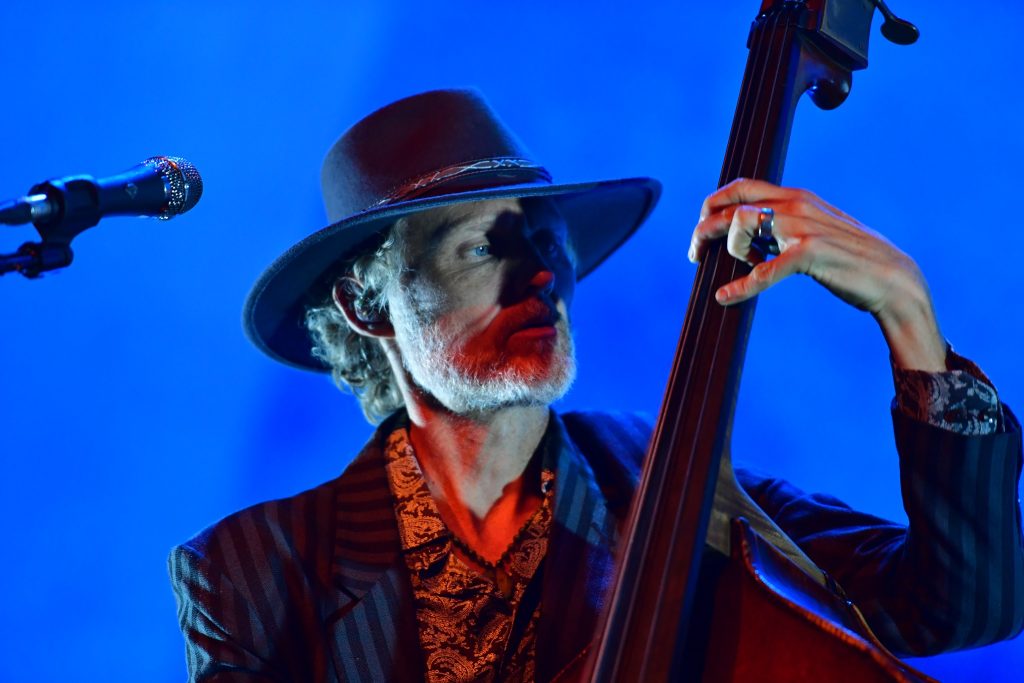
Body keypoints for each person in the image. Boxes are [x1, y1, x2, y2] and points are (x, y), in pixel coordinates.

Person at [169, 89, 1024, 682]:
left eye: (548, 240)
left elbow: (964, 605)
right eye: (481, 246)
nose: (541, 274)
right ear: (367, 304)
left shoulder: (669, 476)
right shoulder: (252, 572)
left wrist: (907, 313)